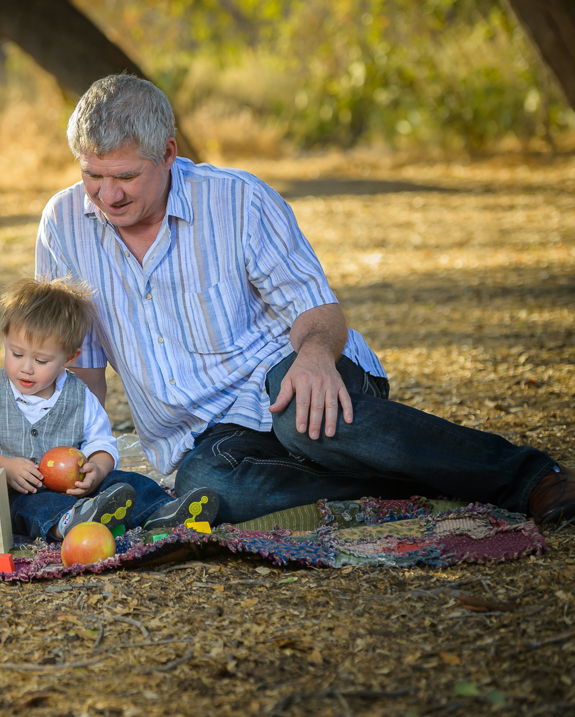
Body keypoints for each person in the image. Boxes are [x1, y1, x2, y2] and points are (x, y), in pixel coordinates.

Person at [34, 74, 574, 526]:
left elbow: (316, 310)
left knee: (301, 417)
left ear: (169, 153)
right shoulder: (63, 224)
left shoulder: (238, 200)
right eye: (91, 175)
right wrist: (74, 449)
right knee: (206, 487)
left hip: (287, 376)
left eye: (125, 176)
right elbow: (78, 359)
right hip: (206, 438)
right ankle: (402, 484)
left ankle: (530, 477)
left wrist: (316, 358)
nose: (107, 195)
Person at [0, 277, 218, 541]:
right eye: (17, 354)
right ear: (5, 339)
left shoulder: (79, 395)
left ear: (69, 357)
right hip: (16, 494)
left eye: (41, 360)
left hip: (75, 489)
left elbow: (101, 441)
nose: (26, 368)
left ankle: (163, 511)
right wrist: (3, 466)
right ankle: (71, 523)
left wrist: (98, 470)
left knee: (126, 481)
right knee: (33, 508)